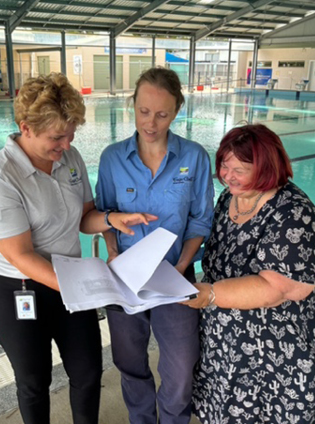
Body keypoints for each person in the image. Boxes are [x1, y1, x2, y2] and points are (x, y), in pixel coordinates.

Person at [0, 73, 156, 424]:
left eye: (71, 133)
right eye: (57, 137)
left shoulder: (70, 158)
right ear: (25, 127)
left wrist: (112, 220)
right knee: (34, 380)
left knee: (88, 371)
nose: (66, 144)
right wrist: (84, 286)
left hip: (69, 280)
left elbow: (84, 217)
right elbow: (20, 254)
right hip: (19, 286)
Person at [183, 124, 315, 424]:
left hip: (278, 344)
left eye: (239, 169)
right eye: (224, 166)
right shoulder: (229, 199)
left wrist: (211, 294)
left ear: (267, 167)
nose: (228, 176)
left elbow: (278, 288)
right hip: (227, 342)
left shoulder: (294, 213)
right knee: (225, 410)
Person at [95, 67, 214, 424]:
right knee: (130, 365)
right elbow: (105, 215)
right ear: (132, 105)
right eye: (144, 111)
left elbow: (200, 219)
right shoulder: (112, 158)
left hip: (176, 277)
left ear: (177, 111)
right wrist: (114, 252)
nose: (151, 123)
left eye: (162, 114)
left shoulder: (194, 158)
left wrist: (183, 266)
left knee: (180, 368)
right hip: (125, 279)